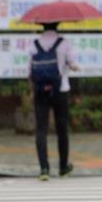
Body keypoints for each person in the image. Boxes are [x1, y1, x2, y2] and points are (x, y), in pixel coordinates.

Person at [27, 24, 78, 180]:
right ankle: (63, 167)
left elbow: (30, 72)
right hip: (60, 90)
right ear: (57, 26)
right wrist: (74, 67)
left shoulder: (34, 44)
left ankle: (44, 169)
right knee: (62, 129)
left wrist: (31, 91)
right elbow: (73, 64)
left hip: (40, 91)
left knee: (41, 129)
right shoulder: (64, 43)